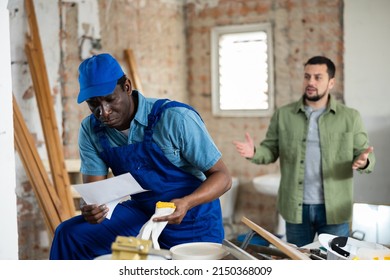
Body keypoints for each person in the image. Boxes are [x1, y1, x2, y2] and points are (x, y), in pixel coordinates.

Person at [49, 53, 232, 259]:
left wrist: (187, 202)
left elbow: (223, 178)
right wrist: (90, 209)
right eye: (94, 104)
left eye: (110, 99)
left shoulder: (175, 118)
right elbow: (95, 195)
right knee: (70, 234)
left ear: (127, 87)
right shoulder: (91, 129)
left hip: (192, 218)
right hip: (143, 213)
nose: (104, 112)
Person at [233, 56, 375, 247]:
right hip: (296, 208)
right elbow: (270, 150)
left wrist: (363, 161)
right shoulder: (284, 115)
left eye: (318, 77)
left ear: (331, 82)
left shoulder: (350, 117)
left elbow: (365, 154)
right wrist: (254, 153)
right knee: (298, 260)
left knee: (335, 263)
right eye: (307, 76)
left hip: (335, 208)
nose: (311, 82)